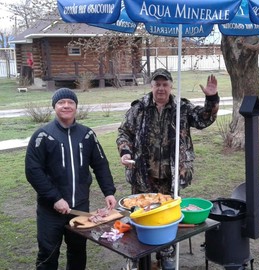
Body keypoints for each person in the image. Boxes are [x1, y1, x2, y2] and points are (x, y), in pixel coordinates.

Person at [116, 68, 219, 269]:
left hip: (171, 177)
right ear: (151, 86)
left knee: (166, 219)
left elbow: (204, 119)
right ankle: (138, 258)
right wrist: (125, 152)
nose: (161, 88)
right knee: (140, 216)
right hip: (143, 177)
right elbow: (124, 132)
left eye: (165, 84)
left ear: (171, 86)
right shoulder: (139, 108)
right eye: (157, 84)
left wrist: (212, 98)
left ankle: (167, 256)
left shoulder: (182, 107)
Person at [25, 88, 117, 270]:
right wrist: (55, 198)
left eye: (70, 102)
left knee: (77, 252)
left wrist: (109, 192)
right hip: (50, 209)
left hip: (79, 208)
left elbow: (100, 165)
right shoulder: (43, 136)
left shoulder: (87, 135)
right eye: (61, 102)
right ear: (54, 107)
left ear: (76, 107)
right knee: (48, 253)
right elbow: (33, 171)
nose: (66, 106)